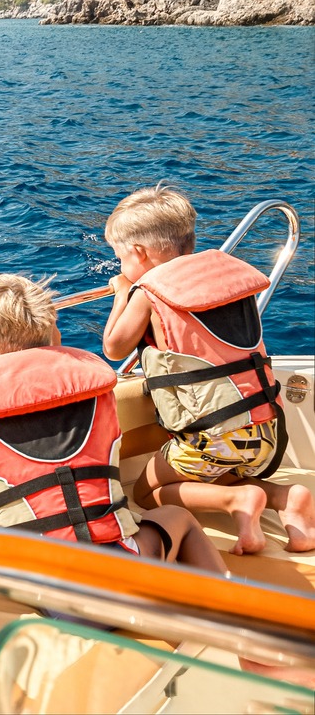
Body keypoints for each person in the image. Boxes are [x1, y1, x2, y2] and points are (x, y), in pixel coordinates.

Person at [0, 273, 226, 574]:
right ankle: (229, 614)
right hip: (123, 575)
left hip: (39, 580)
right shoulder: (95, 387)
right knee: (178, 519)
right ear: (53, 333)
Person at [101, 184, 315, 555]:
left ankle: (239, 502)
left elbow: (114, 347)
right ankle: (285, 498)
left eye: (121, 259)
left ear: (138, 253)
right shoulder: (227, 279)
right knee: (214, 469)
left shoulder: (150, 291)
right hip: (267, 432)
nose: (123, 267)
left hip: (212, 443)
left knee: (145, 493)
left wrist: (123, 291)